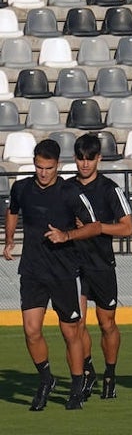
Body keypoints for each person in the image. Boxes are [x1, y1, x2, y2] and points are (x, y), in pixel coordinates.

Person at [5, 138, 103, 411]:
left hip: (64, 272)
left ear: (58, 165)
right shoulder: (22, 188)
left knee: (70, 332)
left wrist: (67, 235)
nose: (43, 173)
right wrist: (10, 240)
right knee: (31, 330)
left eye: (48, 168)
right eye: (38, 167)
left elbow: (94, 227)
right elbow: (12, 211)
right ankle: (46, 379)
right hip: (33, 270)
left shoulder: (70, 192)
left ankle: (75, 387)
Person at [70, 132, 132, 400]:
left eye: (90, 159)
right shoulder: (66, 188)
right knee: (77, 324)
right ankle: (87, 371)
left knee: (106, 324)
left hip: (102, 264)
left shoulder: (110, 189)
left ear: (99, 158)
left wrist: (96, 229)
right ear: (75, 159)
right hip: (74, 265)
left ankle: (110, 373)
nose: (85, 164)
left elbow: (128, 228)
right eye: (81, 159)